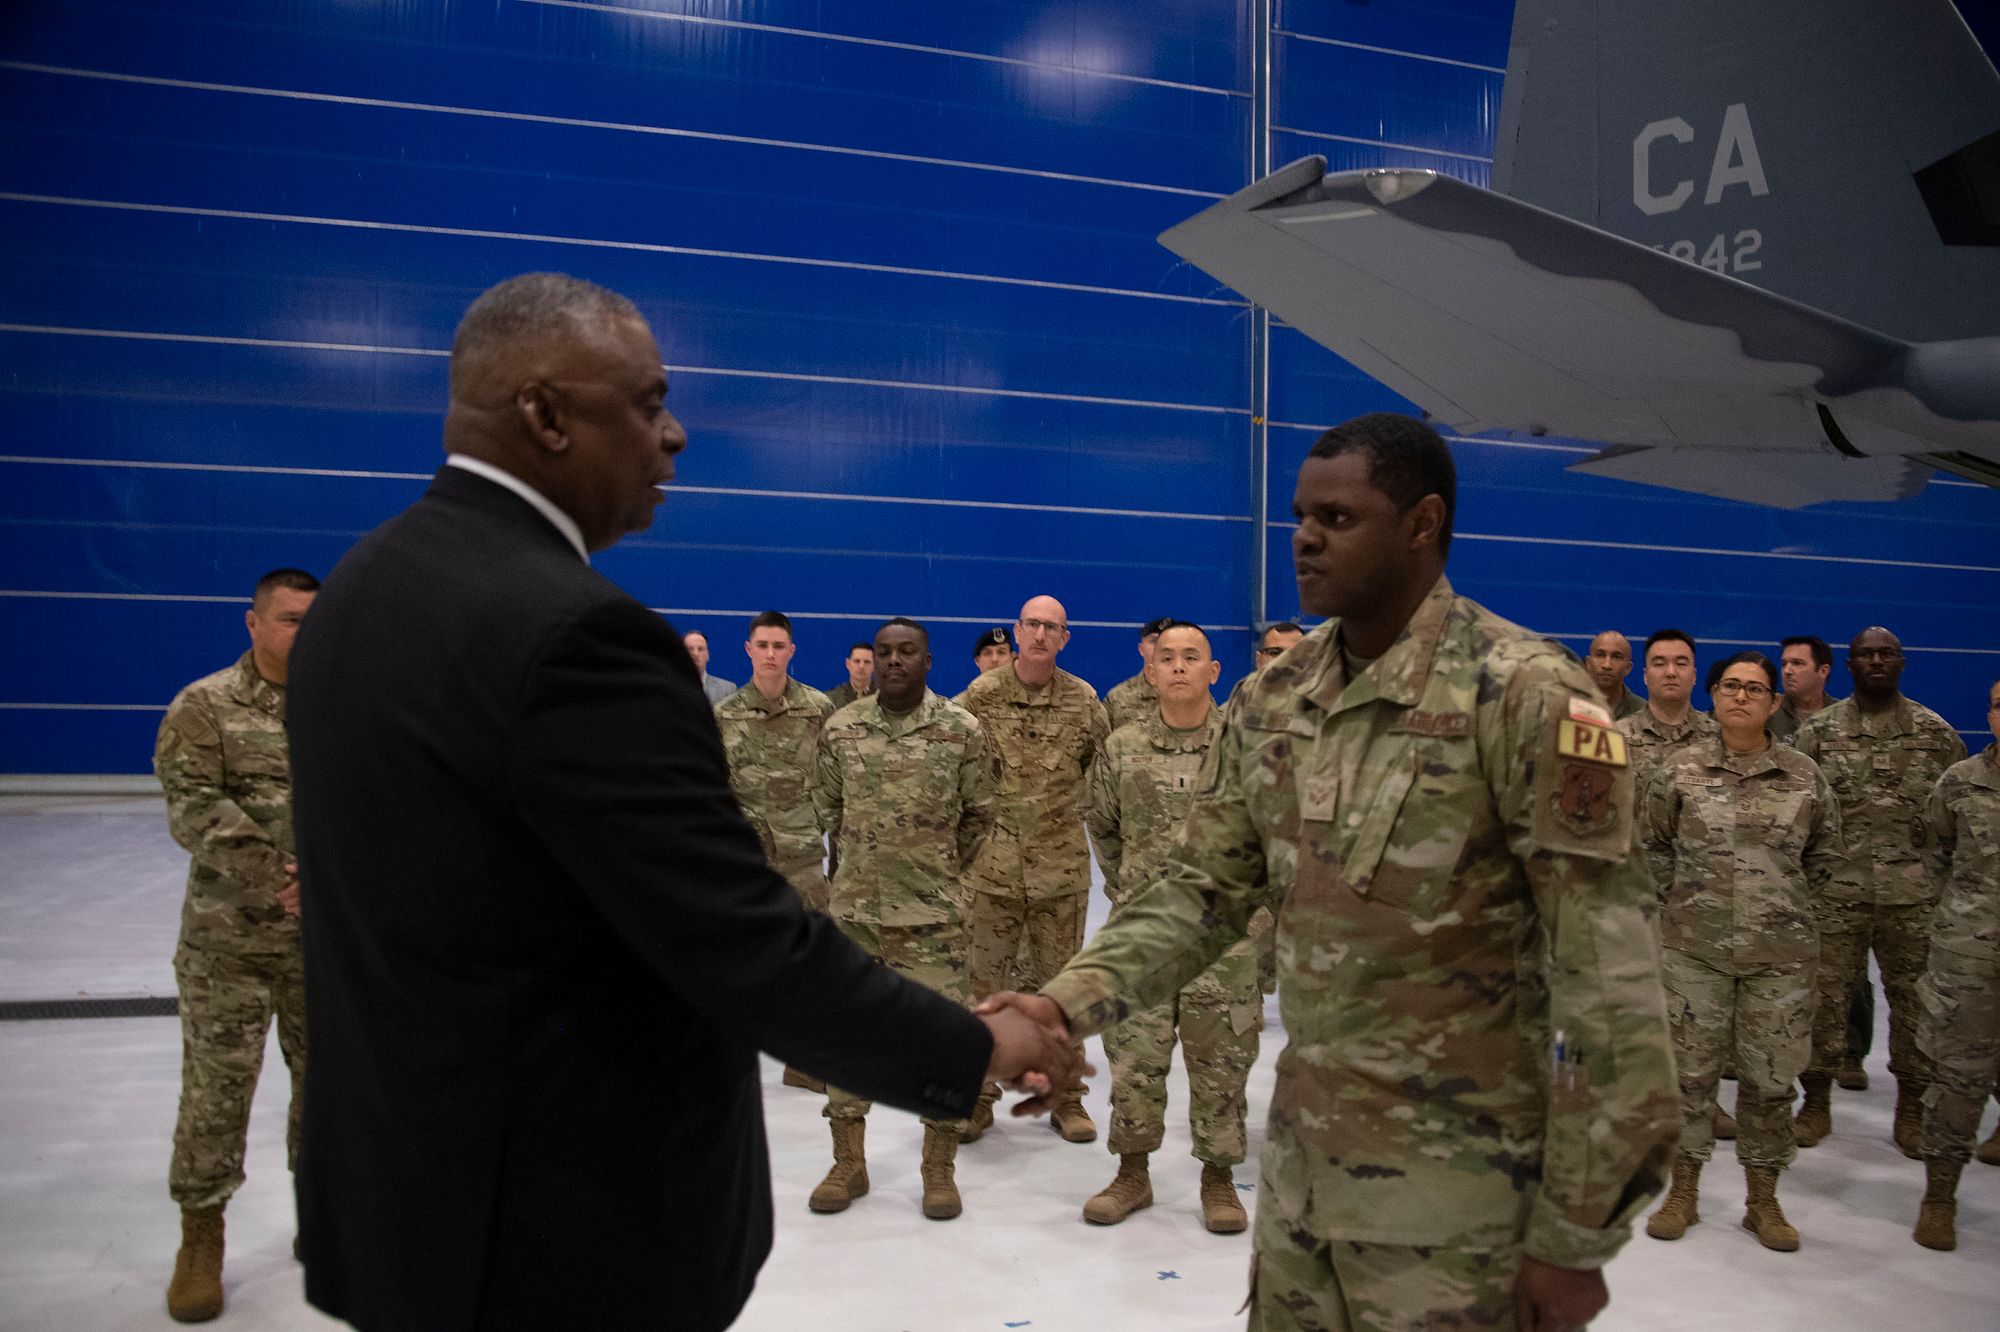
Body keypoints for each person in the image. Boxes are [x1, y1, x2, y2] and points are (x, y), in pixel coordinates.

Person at [285, 273, 1075, 1332]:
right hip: (556, 1238)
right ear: (545, 415)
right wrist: (973, 1048)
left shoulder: (362, 591)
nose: (677, 436)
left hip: (404, 1200)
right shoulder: (580, 637)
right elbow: (737, 941)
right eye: (649, 403)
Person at [987, 414, 1677, 1332]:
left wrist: (1578, 1234)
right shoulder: (1279, 697)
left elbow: (1612, 983)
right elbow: (1203, 890)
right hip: (1306, 1193)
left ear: (1423, 524)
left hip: (1460, 1216)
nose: (1306, 538)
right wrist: (1062, 1006)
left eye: (1339, 518)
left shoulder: (1524, 696)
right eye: (1301, 516)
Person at [153, 567, 317, 1323]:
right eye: (287, 620)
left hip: (325, 943)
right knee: (218, 1094)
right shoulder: (205, 706)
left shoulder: (348, 703)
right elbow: (193, 807)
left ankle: (324, 1217)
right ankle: (201, 1237)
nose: (301, 633)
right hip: (230, 945)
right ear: (253, 623)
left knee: (332, 1094)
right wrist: (281, 875)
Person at [1638, 651, 1839, 1252]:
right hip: (1693, 952)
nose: (1742, 697)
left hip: (1779, 959)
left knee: (1771, 1081)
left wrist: (1780, 909)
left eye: (1756, 689)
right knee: (1689, 1078)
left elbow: (1825, 859)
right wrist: (1684, 905)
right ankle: (1684, 1191)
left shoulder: (1804, 775)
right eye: (1731, 686)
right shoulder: (1679, 771)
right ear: (1715, 696)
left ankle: (1762, 1198)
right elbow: (1652, 847)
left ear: (1775, 703)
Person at [809, 618, 999, 1220]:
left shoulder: (962, 731)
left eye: (906, 652)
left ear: (927, 660)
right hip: (857, 914)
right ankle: (848, 1163)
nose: (894, 661)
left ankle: (938, 1170)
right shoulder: (841, 730)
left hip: (934, 917)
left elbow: (980, 815)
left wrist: (939, 876)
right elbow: (827, 806)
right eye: (885, 652)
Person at [1083, 621, 1258, 1235]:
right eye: (1167, 657)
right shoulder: (1121, 747)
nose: (1179, 666)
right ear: (1150, 672)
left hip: (1224, 937)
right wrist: (1131, 890)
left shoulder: (1247, 749)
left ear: (1215, 673)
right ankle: (1132, 1173)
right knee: (1134, 1055)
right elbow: (1102, 826)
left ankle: (1218, 1180)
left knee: (1222, 1059)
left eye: (1192, 657)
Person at [1793, 627, 1967, 1156]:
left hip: (1913, 901)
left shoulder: (1936, 735)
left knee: (1914, 1007)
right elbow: (1798, 813)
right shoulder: (1818, 733)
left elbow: (1955, 820)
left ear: (1902, 662)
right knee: (1823, 1003)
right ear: (1847, 664)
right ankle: (1815, 1101)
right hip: (1835, 897)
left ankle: (1911, 1107)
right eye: (1865, 654)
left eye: (1885, 654)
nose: (1875, 661)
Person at [960, 594, 1111, 1144]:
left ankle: (1067, 1099)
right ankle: (975, 1096)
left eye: (1053, 627)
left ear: (1064, 638)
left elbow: (1104, 772)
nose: (1041, 635)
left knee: (1064, 993)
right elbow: (959, 769)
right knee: (982, 990)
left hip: (1059, 871)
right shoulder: (980, 696)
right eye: (1033, 625)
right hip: (992, 871)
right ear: (1017, 632)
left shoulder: (1084, 700)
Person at [715, 611, 837, 1090]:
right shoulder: (724, 715)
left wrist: (818, 825)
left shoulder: (818, 708)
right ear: (748, 650)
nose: (769, 654)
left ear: (791, 651)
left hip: (803, 855)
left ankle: (805, 1060)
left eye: (778, 645)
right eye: (761, 645)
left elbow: (834, 778)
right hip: (745, 861)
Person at [1912, 677, 2000, 1250]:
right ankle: (1940, 1195)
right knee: (1958, 1080)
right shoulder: (1961, 782)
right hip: (1971, 958)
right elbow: (1932, 854)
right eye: (1998, 704)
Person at [1774, 634, 1870, 1089]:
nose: (1788, 670)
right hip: (1782, 856)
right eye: (1784, 663)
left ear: (1824, 670)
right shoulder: (1770, 718)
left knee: (1847, 970)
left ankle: (1852, 1052)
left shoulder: (1846, 721)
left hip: (1842, 862)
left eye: (1798, 663)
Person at [1228, 621, 1306, 995]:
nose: (1286, 660)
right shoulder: (1235, 711)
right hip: (1252, 858)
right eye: (1276, 651)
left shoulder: (1334, 714)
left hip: (1307, 861)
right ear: (1260, 658)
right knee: (1247, 960)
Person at [1616, 629, 1717, 777]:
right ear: (1645, 676)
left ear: (1694, 676)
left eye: (1681, 663)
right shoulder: (1616, 736)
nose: (1671, 672)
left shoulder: (1718, 737)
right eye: (1659, 664)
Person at [1104, 616, 1171, 732]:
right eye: (1154, 641)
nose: (1162, 646)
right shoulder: (1117, 698)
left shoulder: (1193, 694)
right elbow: (1102, 745)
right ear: (1141, 649)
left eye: (1168, 641)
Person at [1586, 631, 1646, 721]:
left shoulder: (1644, 713)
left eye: (1616, 657)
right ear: (1588, 663)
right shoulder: (1567, 705)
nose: (1607, 665)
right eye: (1600, 655)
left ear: (1628, 668)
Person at [684, 629, 735, 705]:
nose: (695, 653)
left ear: (707, 655)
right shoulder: (669, 687)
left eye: (700, 649)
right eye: (690, 649)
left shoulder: (727, 690)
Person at [825, 640, 876, 710]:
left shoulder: (885, 697)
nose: (861, 666)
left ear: (875, 666)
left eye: (867, 662)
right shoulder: (831, 698)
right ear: (848, 664)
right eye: (857, 661)